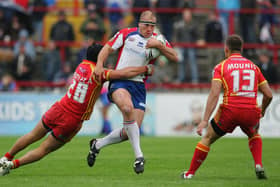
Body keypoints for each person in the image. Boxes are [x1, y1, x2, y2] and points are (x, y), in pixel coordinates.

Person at [0, 43, 154, 176]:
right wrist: (144, 69)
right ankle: (11, 165)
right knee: (44, 149)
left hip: (59, 108)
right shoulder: (99, 73)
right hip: (72, 120)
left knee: (32, 135)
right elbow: (122, 73)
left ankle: (6, 157)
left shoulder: (82, 65)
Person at [89, 10, 178, 174]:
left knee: (130, 131)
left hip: (139, 86)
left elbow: (175, 57)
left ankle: (97, 144)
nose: (149, 29)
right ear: (139, 24)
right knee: (128, 109)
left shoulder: (158, 39)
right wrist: (100, 65)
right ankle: (139, 157)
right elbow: (107, 49)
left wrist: (159, 46)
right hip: (120, 82)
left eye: (152, 26)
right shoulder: (126, 34)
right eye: (146, 25)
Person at [181, 34, 273, 180]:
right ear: (241, 50)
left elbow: (214, 94)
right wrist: (262, 111)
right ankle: (258, 164)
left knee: (208, 137)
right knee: (254, 133)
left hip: (229, 111)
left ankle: (190, 173)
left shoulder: (221, 67)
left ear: (226, 50)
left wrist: (205, 120)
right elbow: (268, 94)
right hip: (250, 111)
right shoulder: (254, 67)